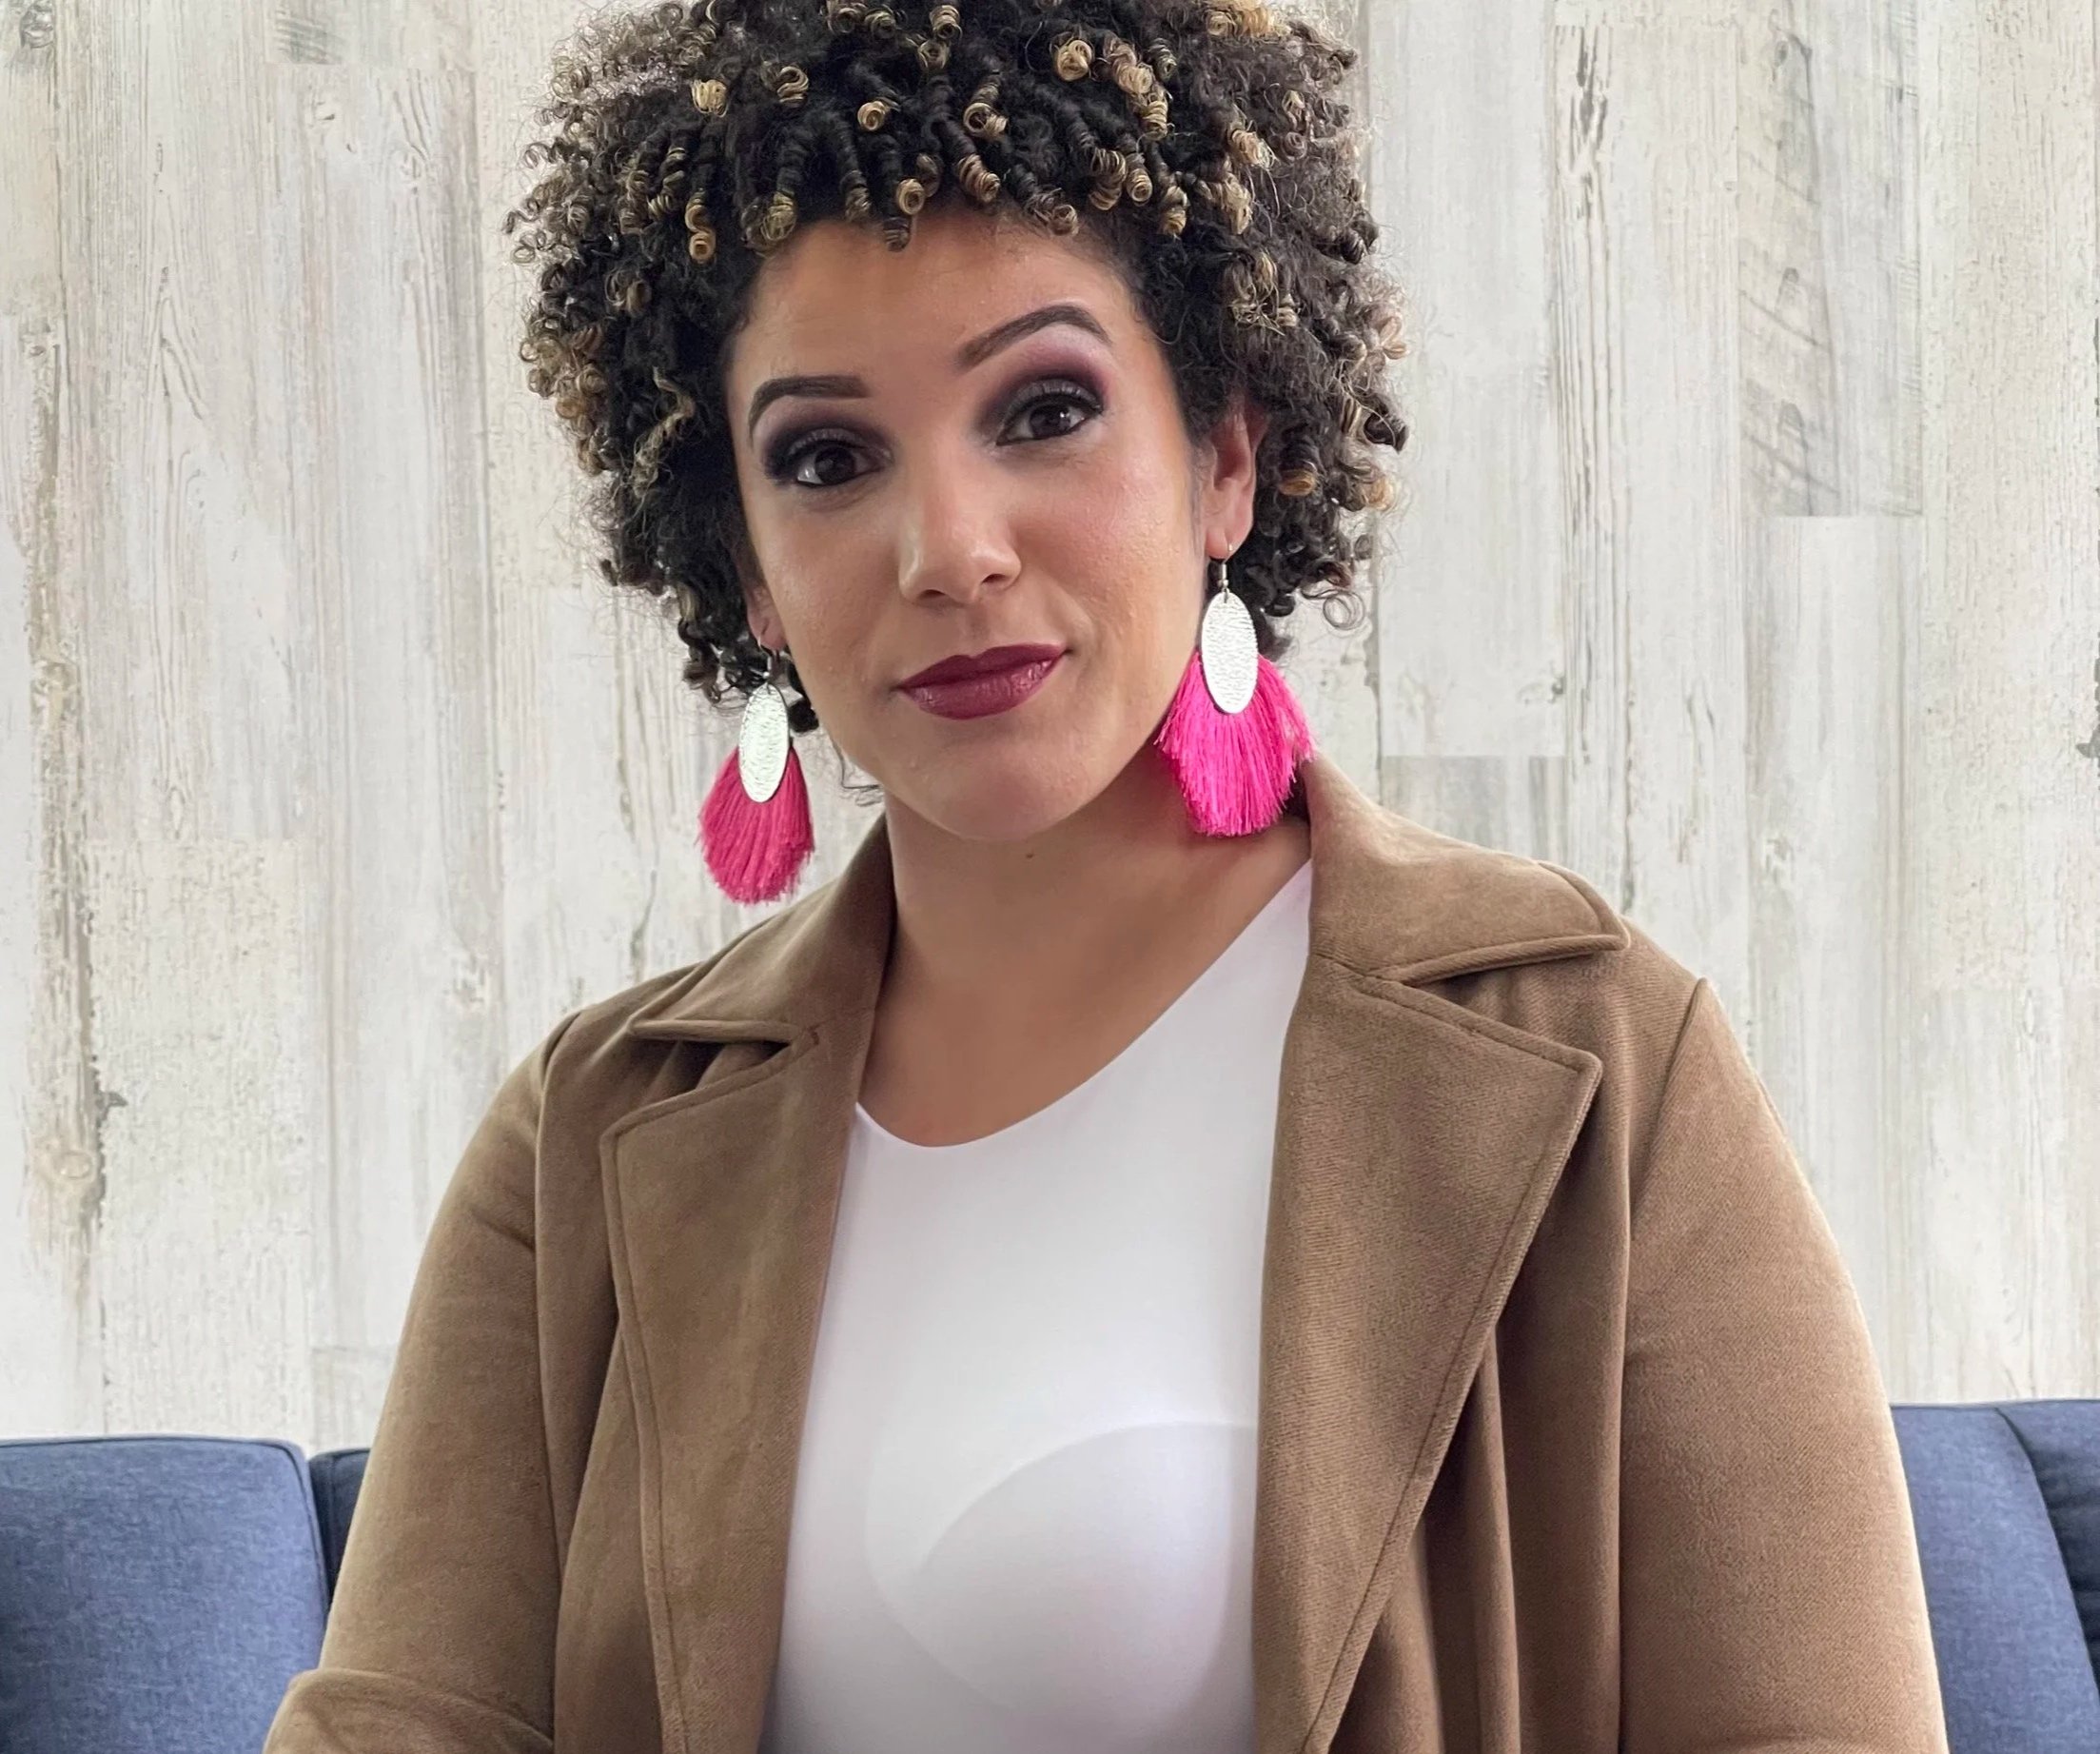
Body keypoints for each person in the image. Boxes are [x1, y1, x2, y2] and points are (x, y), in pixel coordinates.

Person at [263, 2, 1951, 1751]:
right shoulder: (592, 1136)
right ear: (747, 571)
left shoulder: (1600, 1060)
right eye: (828, 460)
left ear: (1226, 453)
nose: (951, 549)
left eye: (1045, 409)